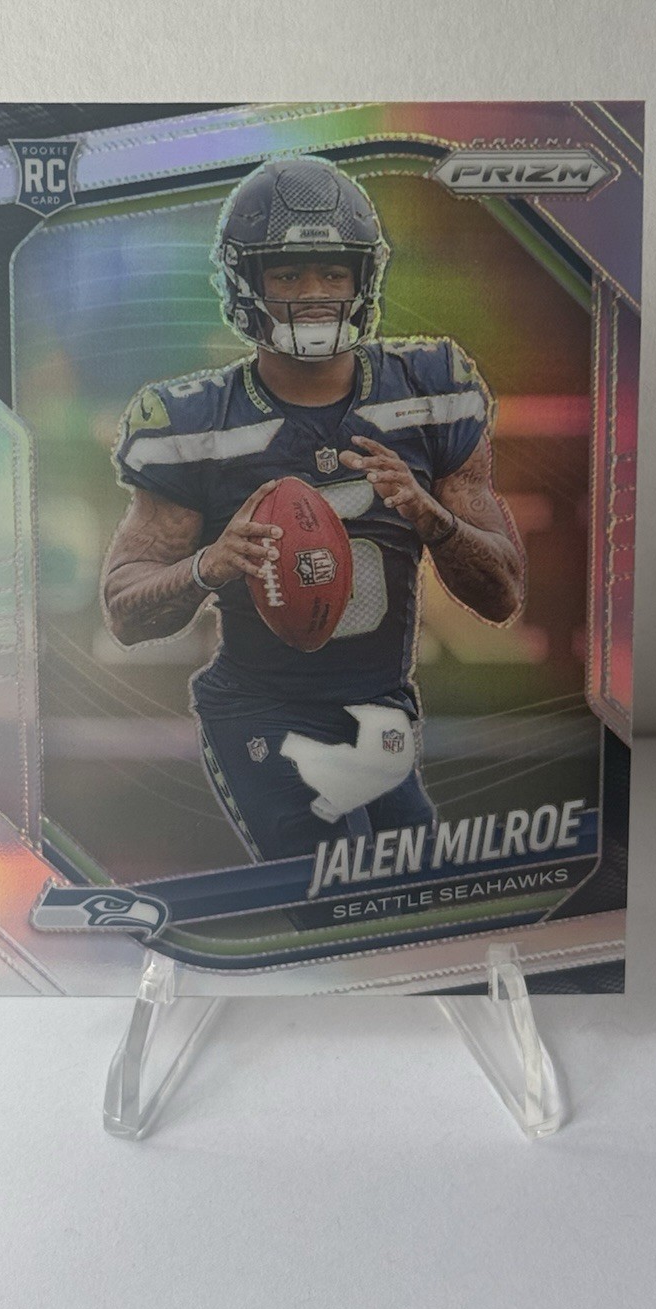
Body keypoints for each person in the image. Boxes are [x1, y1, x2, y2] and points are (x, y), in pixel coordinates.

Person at [102, 155, 525, 865]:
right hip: (262, 710)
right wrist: (209, 566)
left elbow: (503, 594)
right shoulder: (195, 422)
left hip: (381, 709)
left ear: (364, 280)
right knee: (327, 884)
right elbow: (124, 609)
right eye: (288, 275)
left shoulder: (430, 390)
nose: (315, 296)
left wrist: (433, 519)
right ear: (245, 282)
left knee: (411, 896)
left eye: (333, 273)